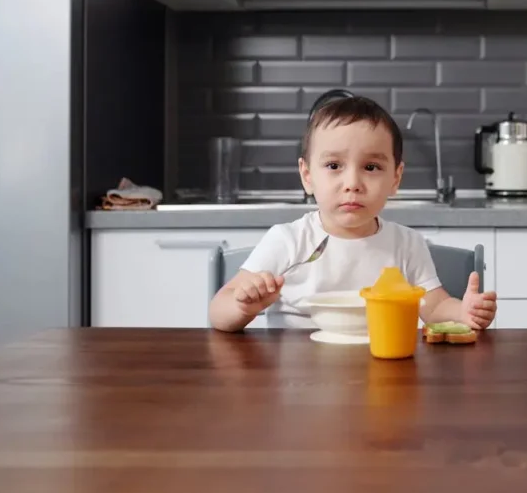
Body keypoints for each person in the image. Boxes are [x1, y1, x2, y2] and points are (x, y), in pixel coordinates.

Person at [209, 96, 498, 332]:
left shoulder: (407, 244)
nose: (352, 184)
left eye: (371, 167)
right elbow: (218, 311)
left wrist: (463, 311)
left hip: (383, 374)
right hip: (298, 381)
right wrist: (243, 306)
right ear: (307, 175)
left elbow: (433, 307)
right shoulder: (286, 240)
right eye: (334, 166)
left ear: (396, 178)